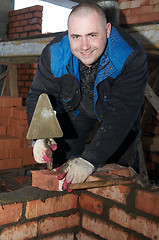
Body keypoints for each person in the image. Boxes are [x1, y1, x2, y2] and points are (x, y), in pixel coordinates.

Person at [26, 2, 148, 190]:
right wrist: (39, 137)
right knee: (64, 164)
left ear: (107, 30)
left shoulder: (130, 55)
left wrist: (89, 160)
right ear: (68, 34)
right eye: (76, 36)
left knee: (122, 173)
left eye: (92, 35)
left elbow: (122, 111)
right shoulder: (55, 53)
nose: (84, 46)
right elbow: (39, 94)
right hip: (76, 109)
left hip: (114, 112)